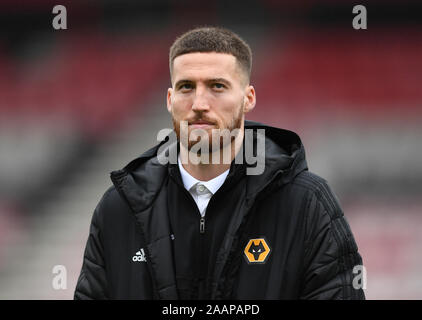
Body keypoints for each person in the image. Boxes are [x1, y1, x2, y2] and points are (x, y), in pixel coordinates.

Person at [74, 26, 365, 300]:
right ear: (169, 99)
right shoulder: (118, 209)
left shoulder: (307, 204)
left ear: (248, 98)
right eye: (186, 87)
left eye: (217, 86)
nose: (199, 103)